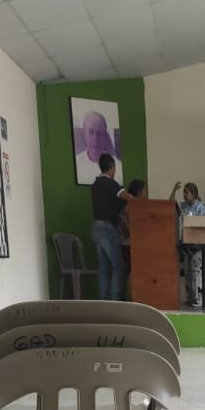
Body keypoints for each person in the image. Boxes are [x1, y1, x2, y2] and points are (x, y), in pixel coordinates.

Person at [90, 153, 133, 300]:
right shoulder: (110, 184)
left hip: (96, 227)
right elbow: (128, 198)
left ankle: (104, 298)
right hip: (108, 228)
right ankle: (116, 298)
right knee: (118, 266)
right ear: (112, 168)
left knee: (103, 266)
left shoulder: (95, 185)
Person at [171, 180, 205, 307]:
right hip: (185, 244)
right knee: (187, 271)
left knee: (196, 270)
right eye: (184, 193)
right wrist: (174, 191)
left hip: (197, 244)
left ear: (194, 194)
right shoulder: (184, 206)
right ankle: (191, 297)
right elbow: (169, 205)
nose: (184, 195)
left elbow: (203, 226)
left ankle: (199, 298)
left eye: (186, 193)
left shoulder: (200, 207)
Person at [76, 110, 122, 185]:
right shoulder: (77, 163)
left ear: (105, 136)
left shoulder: (118, 167)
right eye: (91, 132)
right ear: (84, 133)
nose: (95, 139)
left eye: (100, 133)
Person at [119, 178, 146, 276]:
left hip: (128, 245)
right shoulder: (131, 207)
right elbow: (130, 231)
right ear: (139, 192)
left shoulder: (130, 206)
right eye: (144, 190)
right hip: (129, 246)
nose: (145, 193)